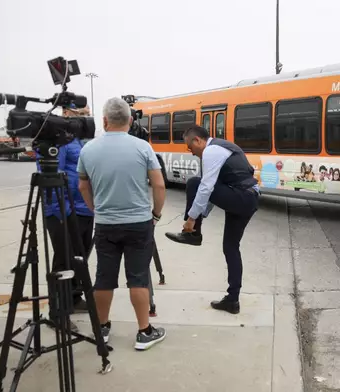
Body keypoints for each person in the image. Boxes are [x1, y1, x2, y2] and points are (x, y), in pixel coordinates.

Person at [77, 97, 167, 351]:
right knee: (138, 278)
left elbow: (83, 185)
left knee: (104, 278)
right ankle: (144, 332)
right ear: (129, 121)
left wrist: (97, 210)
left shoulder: (88, 150)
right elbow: (159, 185)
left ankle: (102, 328)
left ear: (104, 121)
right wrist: (156, 215)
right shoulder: (143, 147)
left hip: (106, 224)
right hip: (139, 223)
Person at [165, 125, 259, 315]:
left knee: (194, 183)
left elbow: (206, 188)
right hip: (247, 197)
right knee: (230, 247)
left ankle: (193, 234)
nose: (191, 153)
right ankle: (232, 300)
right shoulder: (222, 148)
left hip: (242, 197)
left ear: (198, 140)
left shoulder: (211, 151)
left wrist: (191, 220)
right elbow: (215, 190)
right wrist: (201, 215)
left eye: (190, 148)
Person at [37, 104, 94, 333]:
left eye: (86, 114)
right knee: (64, 259)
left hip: (84, 208)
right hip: (63, 209)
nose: (84, 118)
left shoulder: (81, 140)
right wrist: (61, 210)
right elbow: (51, 176)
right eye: (80, 114)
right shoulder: (59, 141)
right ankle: (58, 311)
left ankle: (74, 296)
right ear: (67, 114)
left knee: (80, 258)